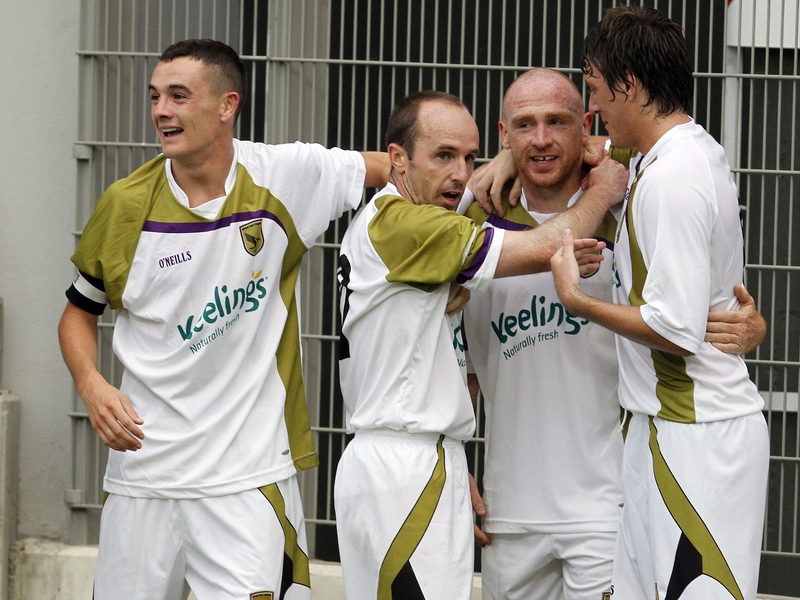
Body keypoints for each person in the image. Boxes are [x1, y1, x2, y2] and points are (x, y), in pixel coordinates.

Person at [57, 39, 390, 600]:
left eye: (179, 96)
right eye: (156, 96)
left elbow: (402, 168)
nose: (161, 110)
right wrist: (91, 385)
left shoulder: (286, 175)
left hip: (249, 482)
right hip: (144, 480)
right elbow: (77, 314)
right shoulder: (123, 204)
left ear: (227, 104)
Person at [459, 68, 766, 600]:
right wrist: (454, 468)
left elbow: (695, 295)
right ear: (502, 134)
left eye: (558, 122)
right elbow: (458, 363)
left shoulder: (630, 195)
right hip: (510, 511)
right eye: (525, 126)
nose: (542, 139)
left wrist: (750, 326)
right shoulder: (477, 214)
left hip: (609, 507)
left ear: (587, 126)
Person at [333, 90, 629, 600]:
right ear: (397, 159)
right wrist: (601, 190)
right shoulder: (410, 225)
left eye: (470, 158)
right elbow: (544, 247)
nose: (461, 174)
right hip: (407, 466)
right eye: (444, 155)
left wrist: (515, 154)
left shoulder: (418, 225)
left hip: (412, 459)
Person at [550, 7, 769, 600]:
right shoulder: (666, 156)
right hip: (660, 429)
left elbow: (674, 331)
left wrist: (578, 299)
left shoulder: (673, 178)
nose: (590, 107)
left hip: (696, 433)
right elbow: (585, 150)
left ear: (632, 85)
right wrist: (500, 159)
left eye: (594, 89)